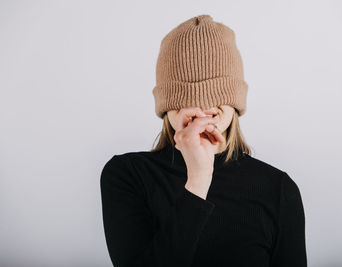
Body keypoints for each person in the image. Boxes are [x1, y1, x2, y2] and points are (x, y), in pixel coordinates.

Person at [100, 14, 307, 267]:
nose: (203, 105)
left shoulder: (278, 189)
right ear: (168, 106)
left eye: (216, 94)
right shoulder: (128, 175)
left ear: (234, 103)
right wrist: (198, 180)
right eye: (187, 96)